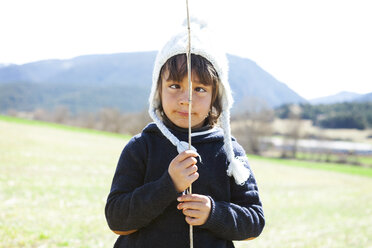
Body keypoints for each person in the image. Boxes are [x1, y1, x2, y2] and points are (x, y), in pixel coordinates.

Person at [105, 20, 265, 248]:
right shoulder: (141, 146)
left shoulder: (230, 153)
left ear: (216, 97)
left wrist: (214, 212)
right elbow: (117, 221)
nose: (186, 99)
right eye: (174, 86)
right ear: (158, 90)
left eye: (200, 89)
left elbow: (254, 222)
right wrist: (168, 185)